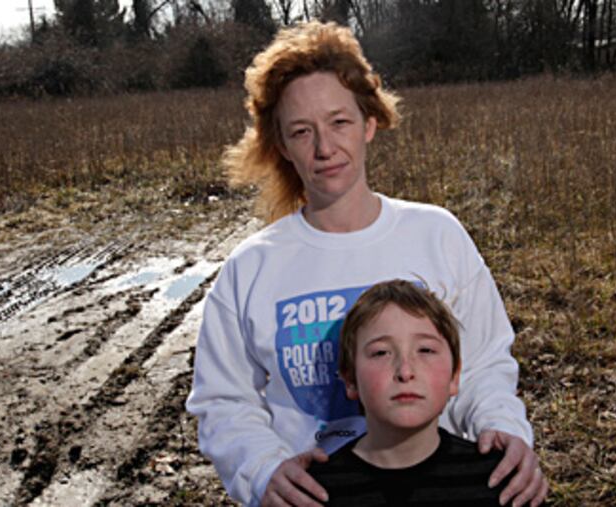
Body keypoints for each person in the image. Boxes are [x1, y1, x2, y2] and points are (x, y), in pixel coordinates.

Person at [186, 20, 548, 507]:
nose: (324, 147)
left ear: (369, 122)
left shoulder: (436, 235)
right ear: (281, 146)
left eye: (339, 122)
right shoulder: (250, 268)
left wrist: (503, 430)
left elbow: (483, 363)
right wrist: (262, 470)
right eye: (301, 131)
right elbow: (223, 400)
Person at [307, 279, 515, 506]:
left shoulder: (500, 482)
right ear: (350, 380)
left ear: (454, 376)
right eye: (381, 353)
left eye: (425, 350)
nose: (405, 372)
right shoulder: (311, 493)